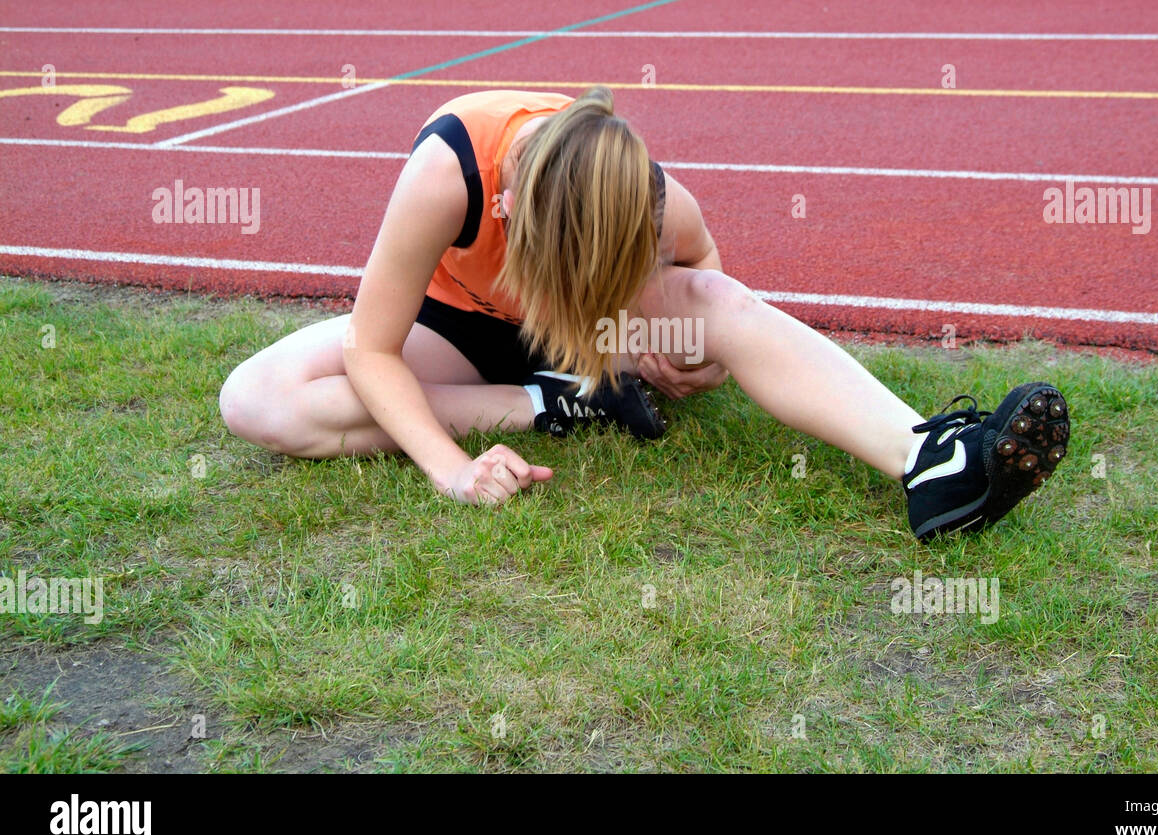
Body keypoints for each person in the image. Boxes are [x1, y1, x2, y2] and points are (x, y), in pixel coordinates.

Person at [219, 88, 1070, 538]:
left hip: (597, 335)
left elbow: (706, 274)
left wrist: (682, 358)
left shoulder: (648, 196)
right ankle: (558, 400)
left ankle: (930, 459)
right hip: (462, 330)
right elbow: (374, 350)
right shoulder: (450, 170)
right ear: (510, 210)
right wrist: (452, 470)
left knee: (718, 305)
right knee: (255, 400)